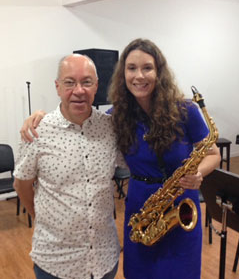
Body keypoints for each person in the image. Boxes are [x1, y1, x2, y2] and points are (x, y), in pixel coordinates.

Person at [20, 39, 221, 279]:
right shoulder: (116, 117)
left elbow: (213, 154)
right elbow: (75, 119)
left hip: (180, 204)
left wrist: (198, 173)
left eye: (147, 67)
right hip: (140, 206)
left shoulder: (185, 110)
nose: (139, 75)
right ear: (122, 74)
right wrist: (40, 116)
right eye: (131, 68)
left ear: (159, 72)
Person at [14, 54, 126, 279]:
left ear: (96, 86)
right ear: (57, 87)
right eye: (69, 82)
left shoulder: (110, 128)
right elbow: (21, 185)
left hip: (104, 260)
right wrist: (44, 221)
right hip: (56, 263)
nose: (78, 90)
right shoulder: (38, 131)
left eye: (86, 82)